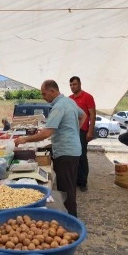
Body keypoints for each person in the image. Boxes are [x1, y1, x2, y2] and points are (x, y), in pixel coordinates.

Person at [14, 80, 86, 217]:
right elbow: (83, 116)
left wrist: (25, 139)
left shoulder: (58, 107)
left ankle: (70, 218)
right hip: (72, 150)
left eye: (44, 94)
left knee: (66, 189)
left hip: (66, 152)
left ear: (53, 91)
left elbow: (47, 133)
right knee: (70, 185)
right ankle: (70, 214)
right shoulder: (69, 101)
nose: (43, 97)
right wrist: (73, 131)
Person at [69, 76, 96, 192]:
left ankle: (83, 182)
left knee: (82, 157)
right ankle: (75, 181)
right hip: (71, 131)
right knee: (73, 157)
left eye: (74, 84)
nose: (72, 87)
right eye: (70, 85)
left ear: (80, 84)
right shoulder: (69, 99)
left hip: (82, 131)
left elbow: (92, 115)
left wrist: (90, 131)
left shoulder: (88, 97)